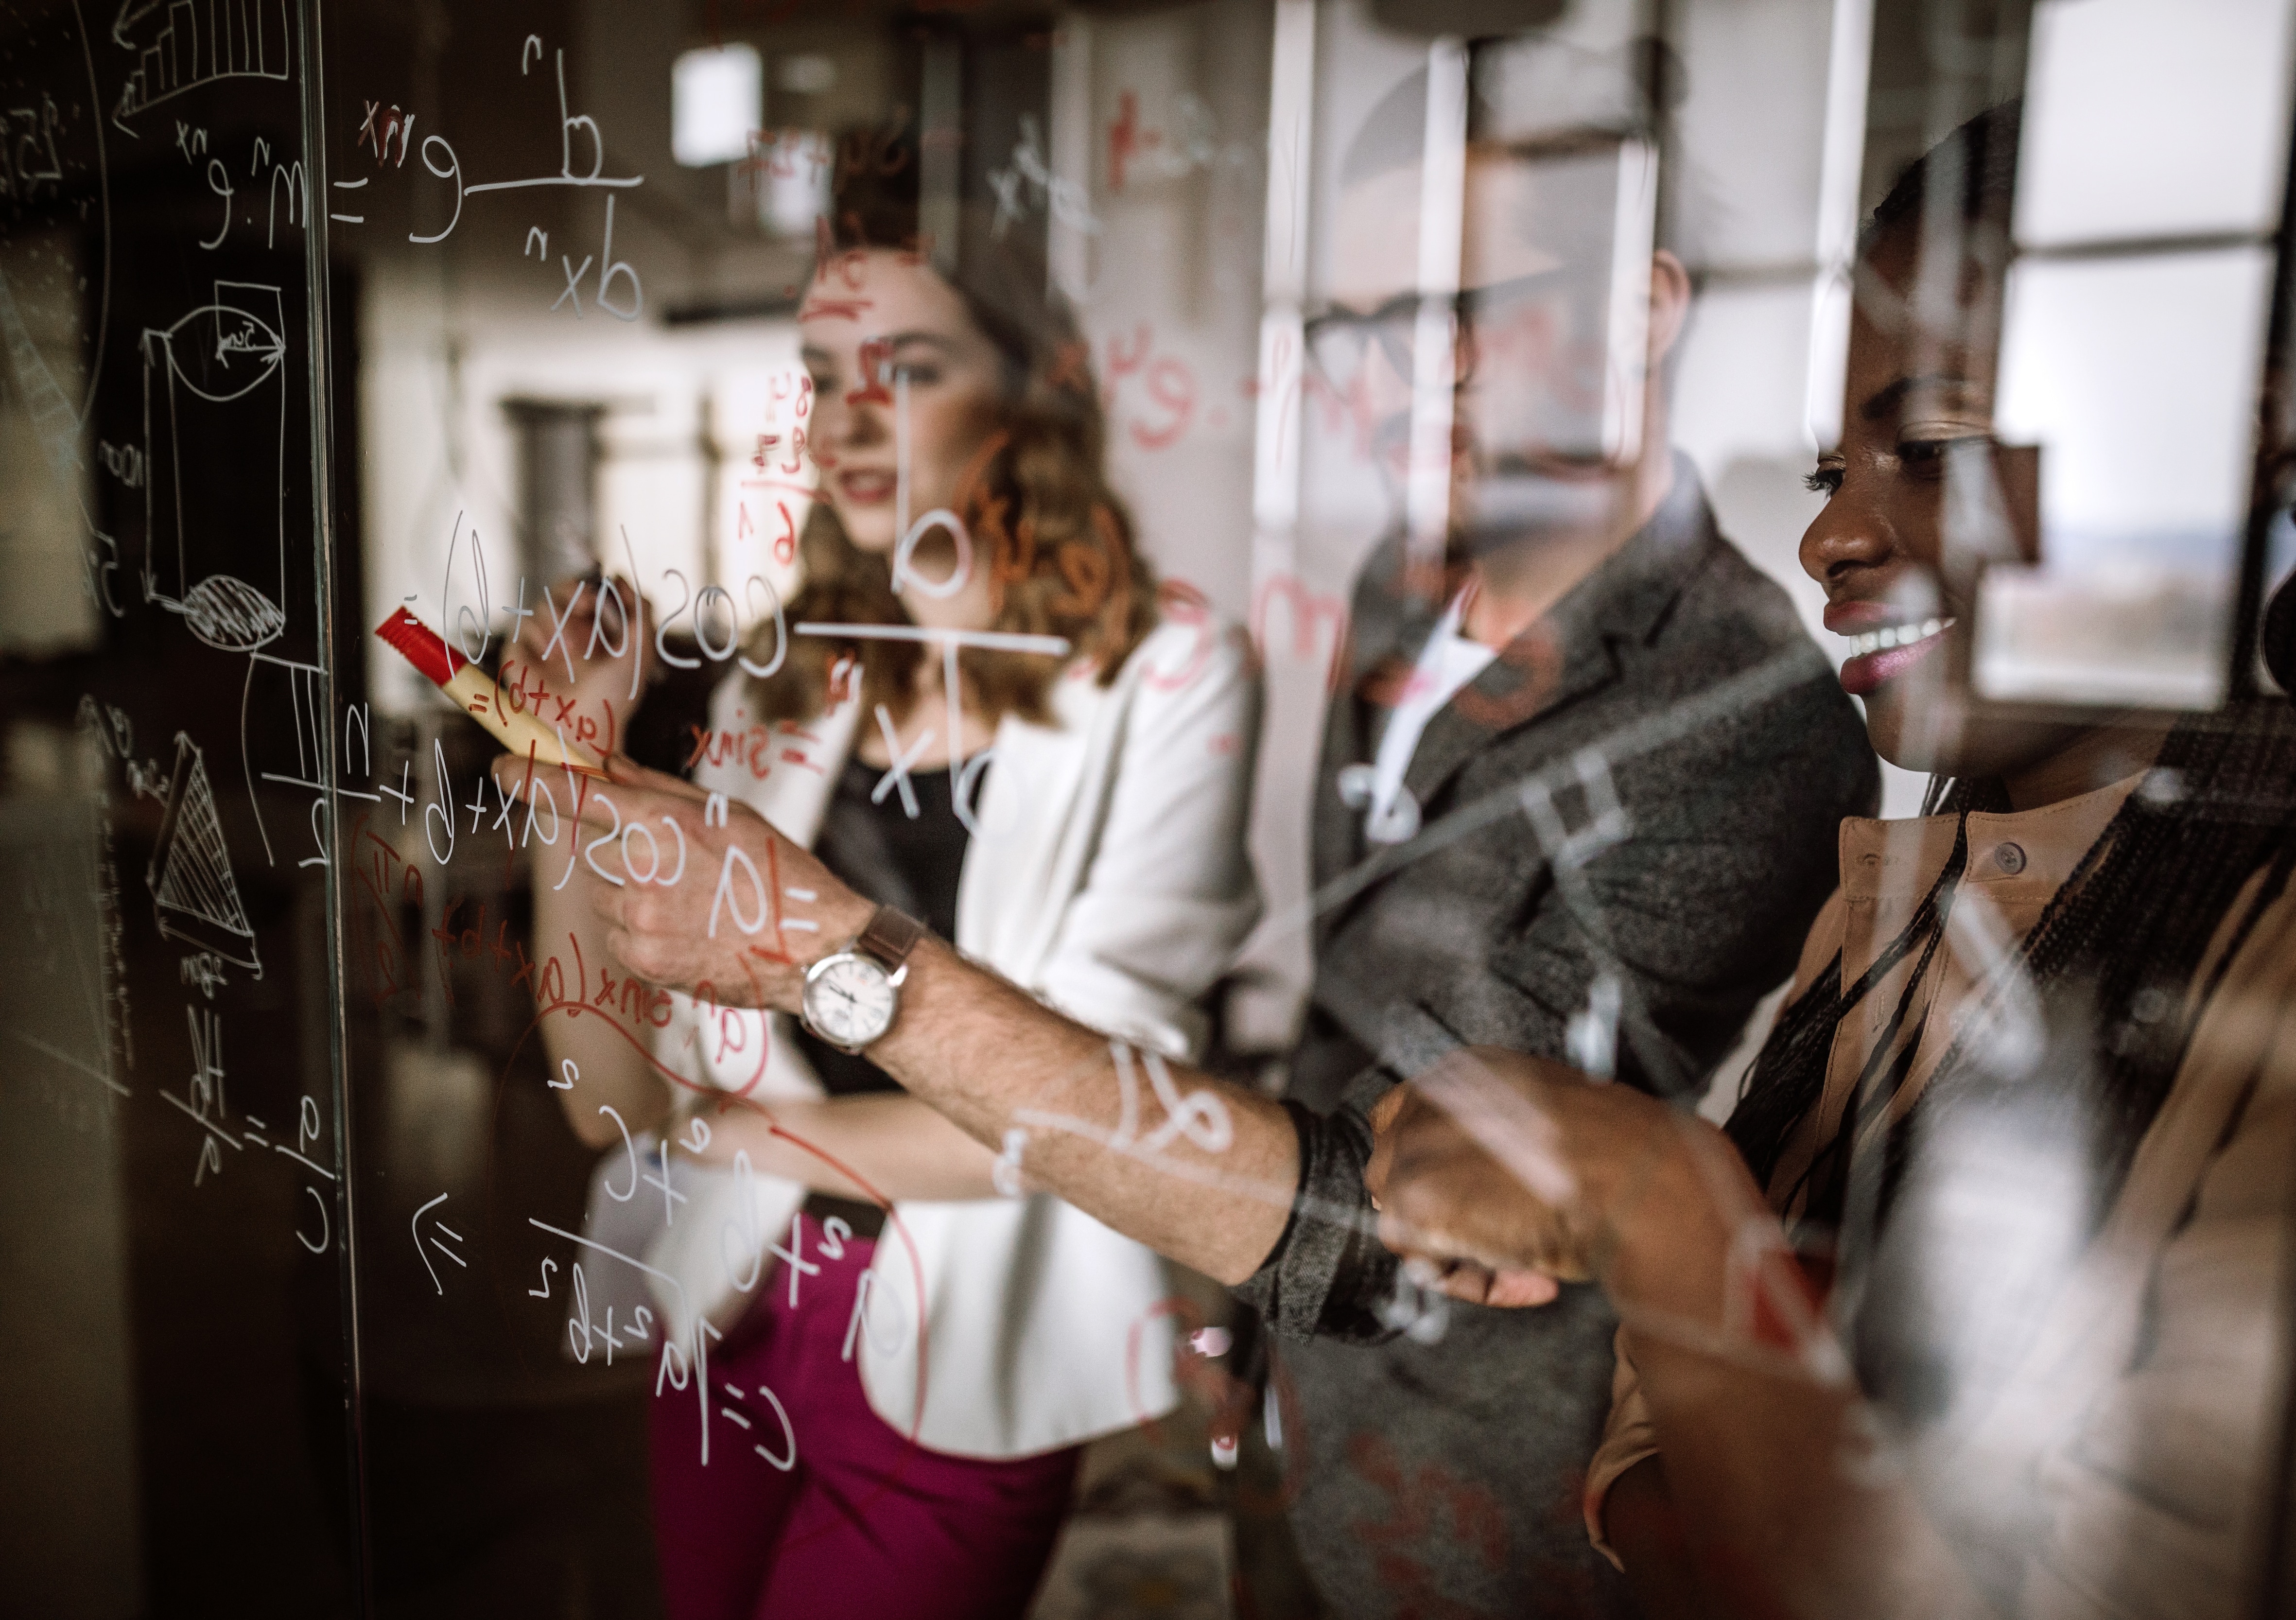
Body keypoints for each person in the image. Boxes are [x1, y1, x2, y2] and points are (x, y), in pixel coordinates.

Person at [525, 44, 1875, 1617]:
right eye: (1367, 325)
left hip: (1497, 1498)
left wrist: (815, 970)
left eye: (1458, 309)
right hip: (1188, 1385)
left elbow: (1406, 1201)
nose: (1396, 378)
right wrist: (571, 785)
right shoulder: (1400, 588)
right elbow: (1345, 1039)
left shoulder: (1746, 718)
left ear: (1641, 306)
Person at [1360, 103, 2296, 1618]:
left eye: (1930, 448)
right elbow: (1655, 1478)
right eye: (1830, 474)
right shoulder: (1907, 897)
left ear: (2211, 438)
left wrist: (1669, 1211)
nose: (1832, 541)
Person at [519, 198, 1262, 1620]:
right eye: (823, 376)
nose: (847, 420)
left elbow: (1081, 1117)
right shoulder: (787, 679)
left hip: (973, 1348)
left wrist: (726, 1134)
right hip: (732, 1311)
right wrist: (570, 773)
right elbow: (610, 1102)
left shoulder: (1168, 671)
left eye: (908, 369)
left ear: (1035, 390)